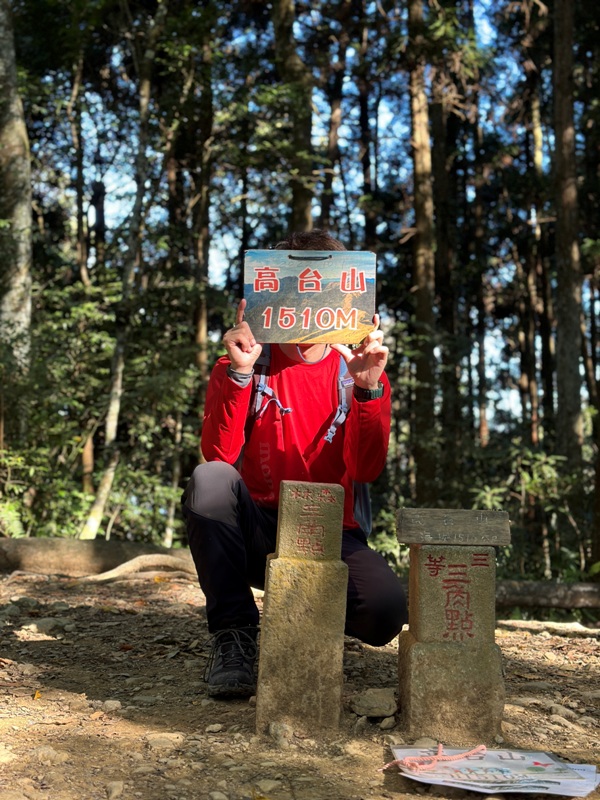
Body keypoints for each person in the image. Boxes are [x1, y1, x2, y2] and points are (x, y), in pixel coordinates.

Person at [182, 229, 407, 698]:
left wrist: (367, 388)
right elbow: (219, 456)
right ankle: (234, 634)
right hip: (253, 526)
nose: (310, 301)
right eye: (298, 287)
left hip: (330, 528)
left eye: (323, 288)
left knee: (384, 613)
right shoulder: (246, 361)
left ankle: (307, 615)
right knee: (209, 480)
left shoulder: (359, 370)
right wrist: (240, 373)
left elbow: (366, 470)